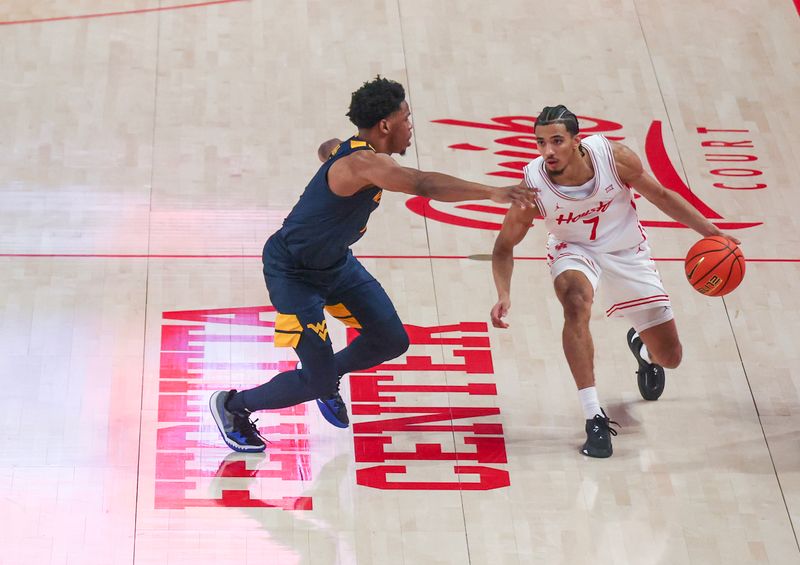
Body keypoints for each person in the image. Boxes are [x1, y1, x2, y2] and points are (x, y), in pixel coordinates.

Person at [210, 76, 535, 452]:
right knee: (316, 382)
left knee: (391, 340)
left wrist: (329, 154)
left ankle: (324, 375)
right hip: (293, 275)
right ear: (385, 125)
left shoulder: (354, 153)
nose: (411, 127)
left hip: (335, 265)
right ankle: (233, 406)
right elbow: (423, 184)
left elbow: (328, 147)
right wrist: (491, 191)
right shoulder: (364, 164)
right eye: (407, 118)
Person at [490, 105, 740, 458]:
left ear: (577, 141)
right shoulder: (533, 186)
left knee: (671, 357)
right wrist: (504, 293)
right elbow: (503, 246)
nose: (547, 152)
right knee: (575, 303)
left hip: (626, 251)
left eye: (557, 141)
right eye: (540, 143)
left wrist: (713, 233)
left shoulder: (614, 158)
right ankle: (593, 415)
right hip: (573, 250)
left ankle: (642, 346)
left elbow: (662, 197)